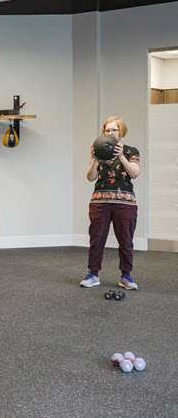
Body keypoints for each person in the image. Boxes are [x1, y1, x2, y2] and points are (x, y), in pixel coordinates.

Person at [80, 116, 141, 290]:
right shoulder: (99, 151)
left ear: (121, 131)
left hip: (126, 202)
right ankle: (93, 274)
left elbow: (135, 173)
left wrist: (121, 156)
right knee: (97, 239)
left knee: (126, 241)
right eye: (107, 130)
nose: (110, 133)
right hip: (100, 201)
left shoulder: (131, 151)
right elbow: (91, 177)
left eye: (114, 129)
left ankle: (126, 276)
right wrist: (95, 159)